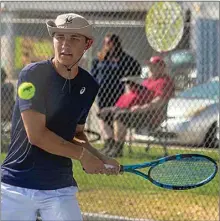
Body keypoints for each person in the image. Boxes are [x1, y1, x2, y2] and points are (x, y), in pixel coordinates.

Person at [1, 13, 120, 221]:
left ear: (87, 44)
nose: (65, 44)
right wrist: (83, 157)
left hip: (59, 187)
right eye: (60, 37)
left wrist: (101, 158)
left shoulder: (89, 85)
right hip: (16, 185)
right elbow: (36, 135)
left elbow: (76, 133)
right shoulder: (32, 75)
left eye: (74, 38)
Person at [98, 56, 175, 157]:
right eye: (150, 66)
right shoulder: (147, 81)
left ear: (162, 67)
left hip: (149, 115)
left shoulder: (165, 82)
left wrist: (142, 108)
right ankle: (109, 144)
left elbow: (159, 101)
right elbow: (138, 97)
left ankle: (118, 149)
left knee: (120, 116)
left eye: (155, 66)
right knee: (103, 114)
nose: (151, 68)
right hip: (134, 111)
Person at [91, 33, 142, 151]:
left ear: (116, 43)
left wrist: (128, 80)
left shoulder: (124, 58)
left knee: (114, 116)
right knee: (103, 117)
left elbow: (137, 69)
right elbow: (93, 73)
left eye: (110, 42)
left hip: (117, 93)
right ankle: (108, 143)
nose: (107, 45)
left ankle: (116, 145)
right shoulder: (101, 57)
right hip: (102, 93)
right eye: (106, 42)